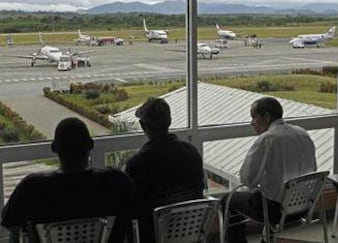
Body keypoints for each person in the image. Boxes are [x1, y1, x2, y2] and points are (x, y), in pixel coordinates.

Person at [1, 117, 136, 243]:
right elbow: (135, 217)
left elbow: (10, 222)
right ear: (90, 145)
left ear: (54, 148)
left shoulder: (32, 187)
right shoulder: (116, 182)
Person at [225, 97, 317, 243]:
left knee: (228, 200)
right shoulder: (302, 133)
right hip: (304, 206)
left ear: (266, 117)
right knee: (273, 193)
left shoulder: (267, 139)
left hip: (276, 212)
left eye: (254, 117)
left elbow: (247, 179)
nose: (251, 122)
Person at [125, 97, 205, 243]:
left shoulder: (138, 163)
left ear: (143, 125)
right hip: (190, 233)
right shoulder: (192, 152)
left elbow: (133, 210)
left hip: (155, 236)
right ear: (169, 121)